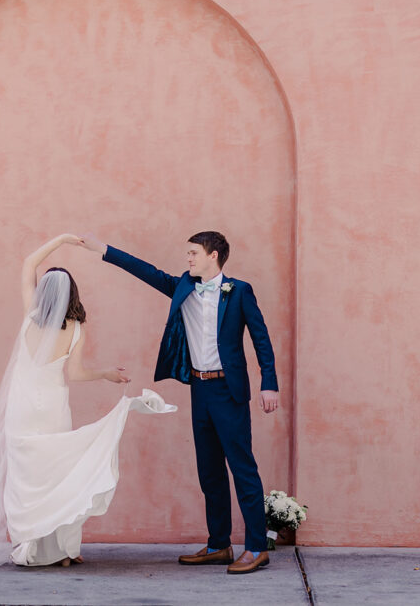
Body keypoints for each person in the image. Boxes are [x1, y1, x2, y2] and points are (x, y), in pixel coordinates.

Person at [0, 233, 176, 568]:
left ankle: (35, 548)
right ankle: (63, 551)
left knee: (27, 478)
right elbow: (77, 374)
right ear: (73, 294)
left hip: (23, 408)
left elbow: (28, 264)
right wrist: (106, 374)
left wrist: (62, 240)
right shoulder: (77, 328)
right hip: (54, 408)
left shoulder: (30, 316)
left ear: (43, 292)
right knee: (58, 477)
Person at [80, 231, 279, 575]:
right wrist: (105, 250)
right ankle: (219, 545)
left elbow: (261, 339)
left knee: (242, 468)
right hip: (199, 389)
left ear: (213, 255)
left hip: (229, 391)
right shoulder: (184, 287)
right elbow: (147, 271)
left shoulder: (240, 291)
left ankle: (257, 547)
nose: (187, 259)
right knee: (209, 471)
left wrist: (269, 385)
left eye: (193, 253)